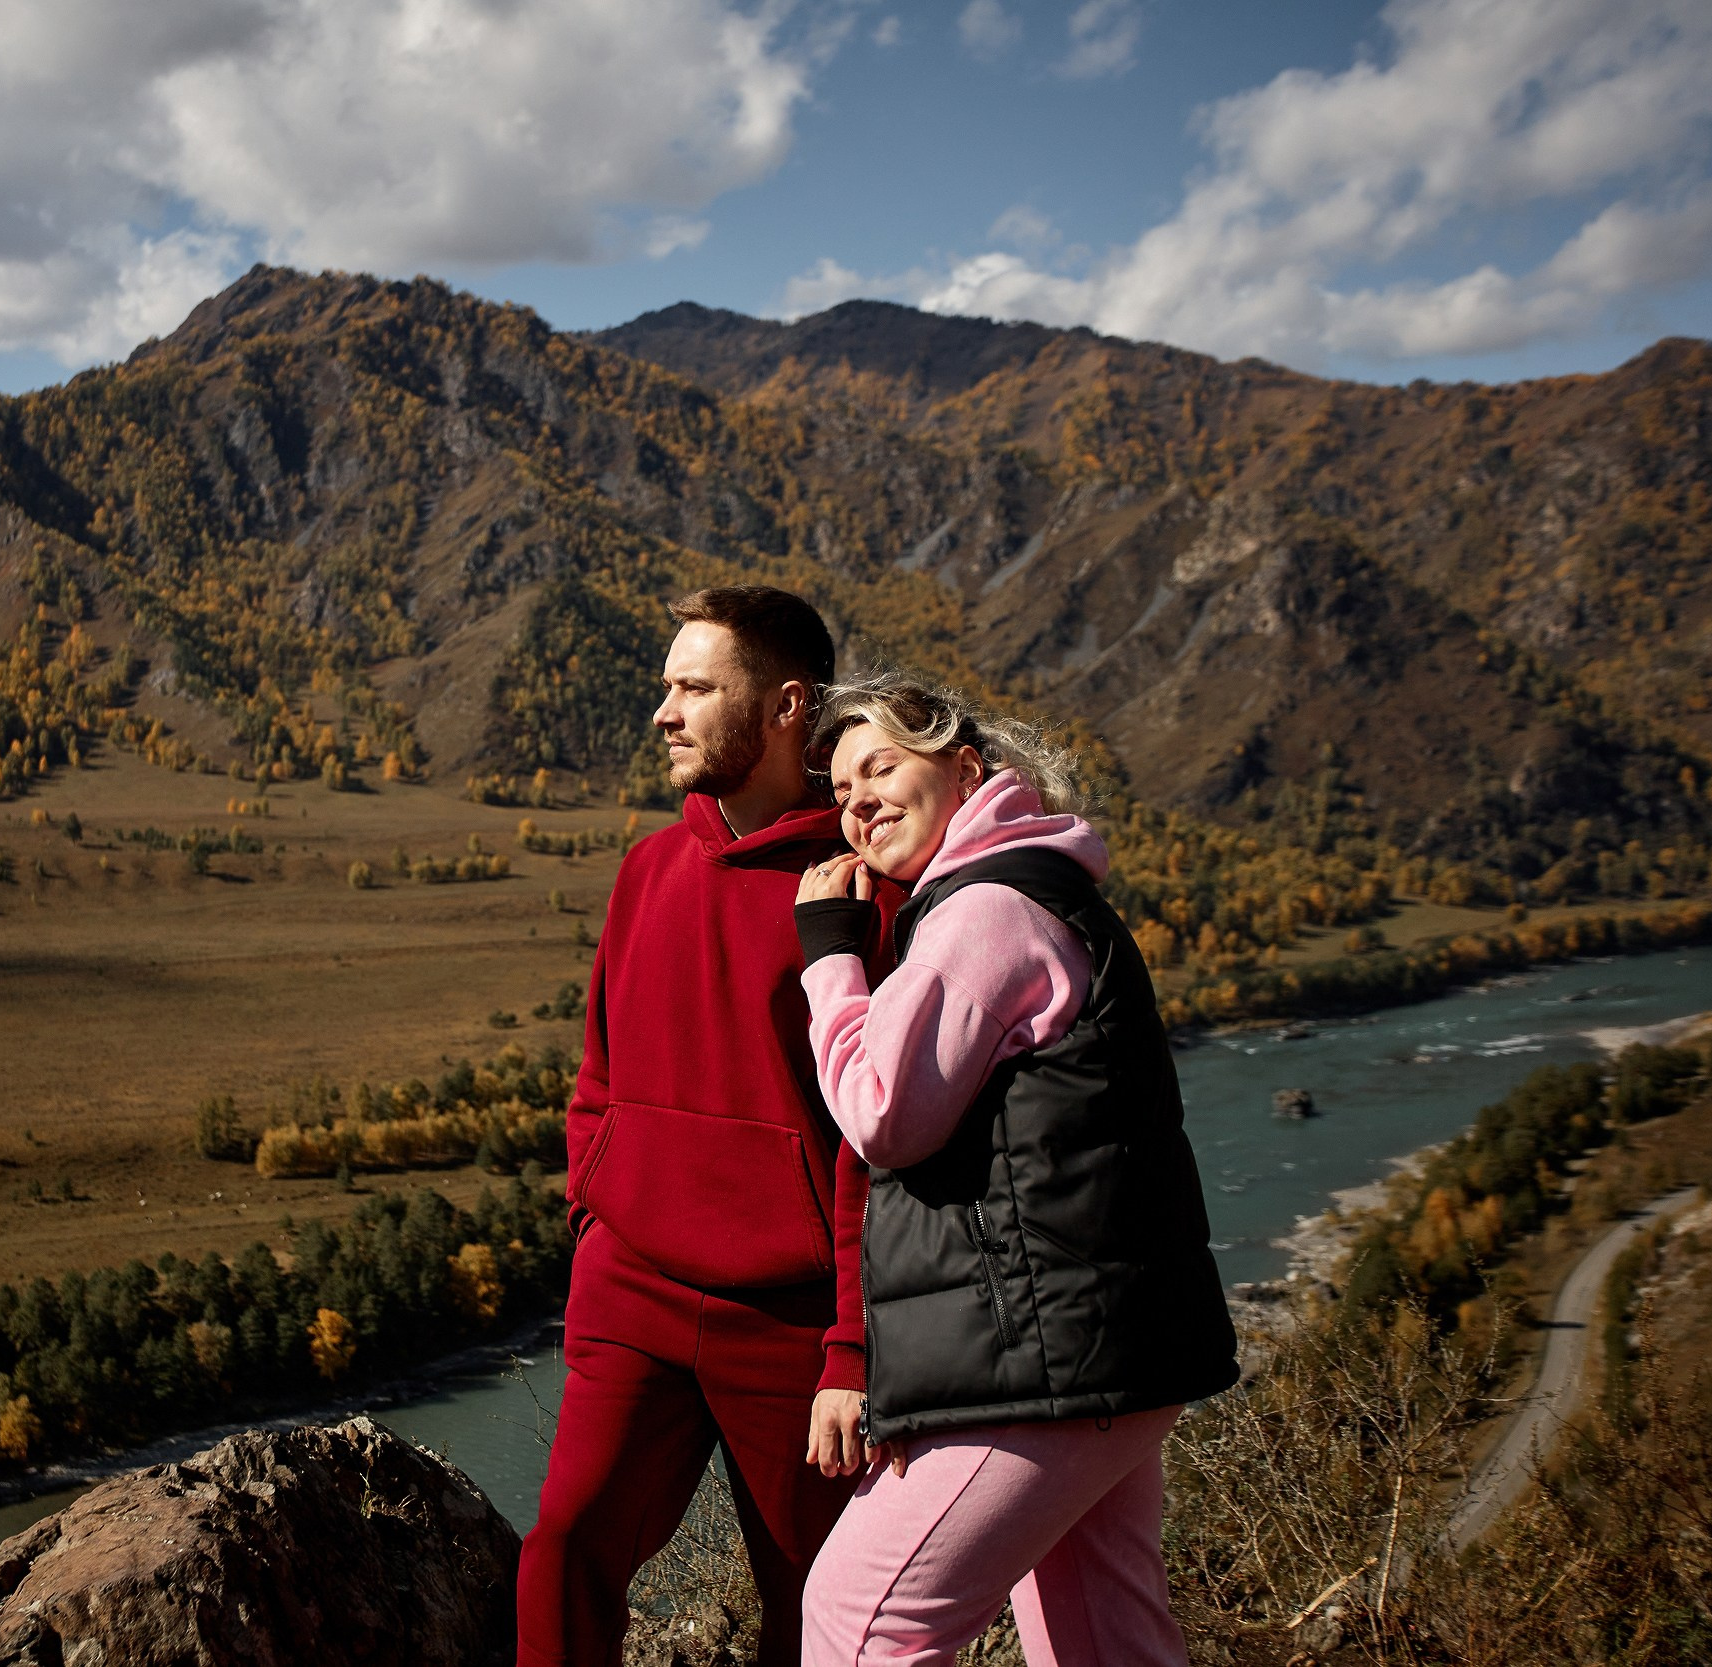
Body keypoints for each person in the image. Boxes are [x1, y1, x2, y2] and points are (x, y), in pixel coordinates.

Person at [788, 671, 1238, 1667]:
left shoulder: (982, 913)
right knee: (1103, 1638)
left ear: (964, 768)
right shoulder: (1046, 891)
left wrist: (829, 962)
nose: (858, 800)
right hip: (1112, 1352)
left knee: (861, 1619)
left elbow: (882, 1112)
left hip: (1043, 1362)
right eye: (842, 789)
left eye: (881, 767)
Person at [517, 586, 882, 1667]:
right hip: (631, 1290)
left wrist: (852, 1344)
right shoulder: (647, 868)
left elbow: (877, 1142)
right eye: (665, 686)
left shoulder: (862, 894)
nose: (663, 712)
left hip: (794, 1325)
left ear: (784, 705)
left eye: (693, 688)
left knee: (814, 1607)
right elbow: (599, 1071)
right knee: (563, 1549)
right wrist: (595, 1215)